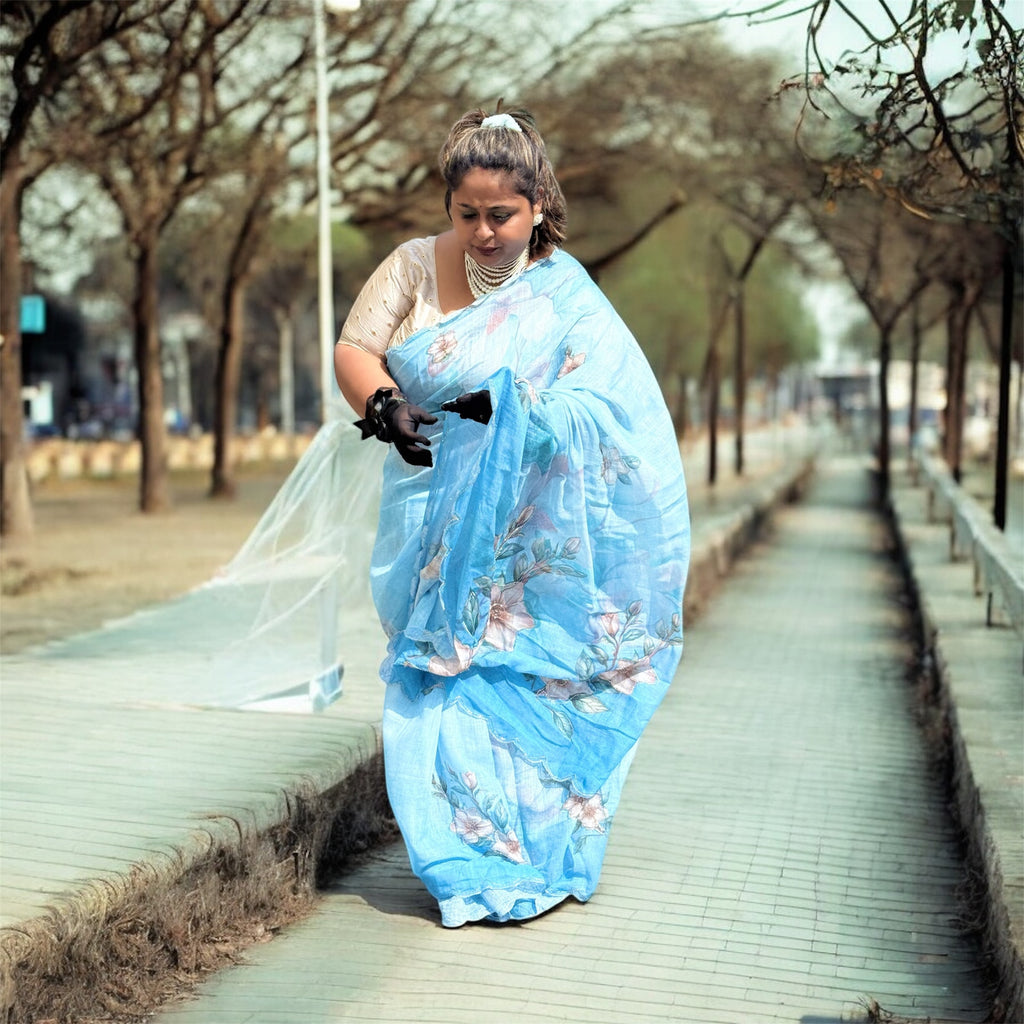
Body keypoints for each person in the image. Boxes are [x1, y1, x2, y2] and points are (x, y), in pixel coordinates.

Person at [334, 107, 690, 928]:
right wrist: (384, 403)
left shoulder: (564, 294)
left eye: (503, 215)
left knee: (508, 674)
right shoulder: (414, 267)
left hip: (528, 524)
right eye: (469, 215)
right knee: (435, 672)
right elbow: (357, 346)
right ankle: (458, 849)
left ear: (538, 206)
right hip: (427, 504)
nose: (486, 233)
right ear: (449, 207)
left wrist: (516, 413)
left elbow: (610, 408)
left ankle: (517, 851)